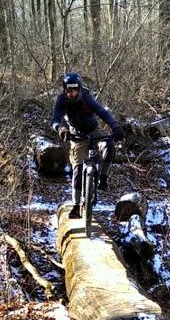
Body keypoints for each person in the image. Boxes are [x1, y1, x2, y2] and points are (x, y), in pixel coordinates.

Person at [51, 71, 124, 218]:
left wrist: (115, 126)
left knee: (109, 146)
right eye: (69, 90)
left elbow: (102, 112)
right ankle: (77, 205)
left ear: (79, 88)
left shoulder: (86, 97)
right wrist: (61, 129)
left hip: (93, 131)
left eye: (75, 89)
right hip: (76, 136)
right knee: (77, 171)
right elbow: (56, 120)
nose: (73, 93)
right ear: (65, 90)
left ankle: (103, 177)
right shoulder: (61, 100)